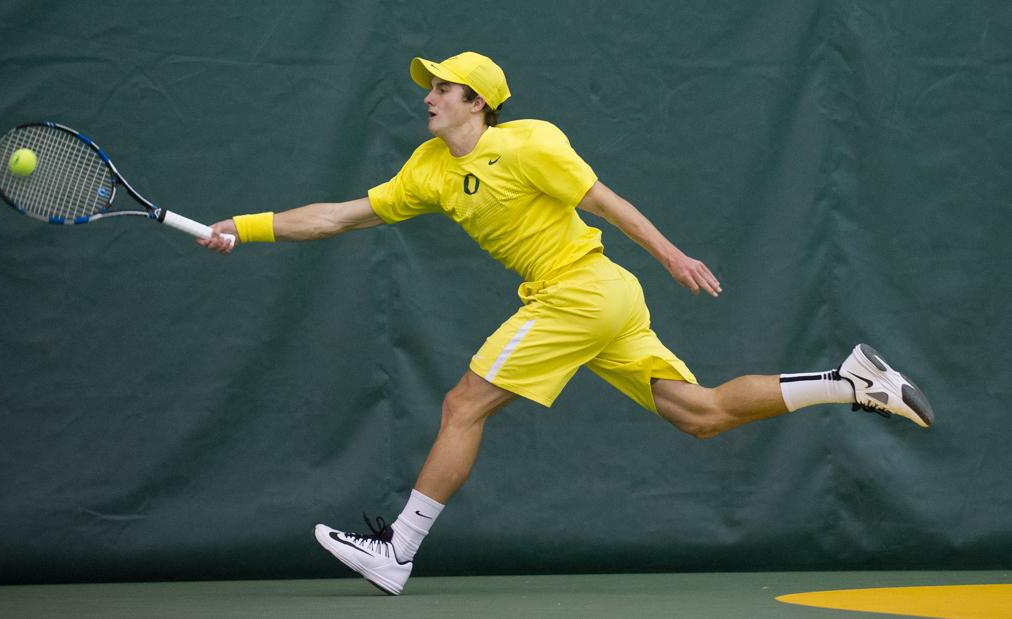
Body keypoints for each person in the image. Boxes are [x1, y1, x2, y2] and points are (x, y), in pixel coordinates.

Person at [198, 51, 933, 595]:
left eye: (443, 88)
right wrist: (246, 226)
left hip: (578, 291)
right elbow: (338, 216)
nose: (428, 96)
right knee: (700, 412)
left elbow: (604, 201)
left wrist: (671, 253)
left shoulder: (529, 144)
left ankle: (397, 548)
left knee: (462, 404)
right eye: (428, 87)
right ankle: (848, 381)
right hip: (601, 301)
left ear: (478, 102)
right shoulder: (426, 167)